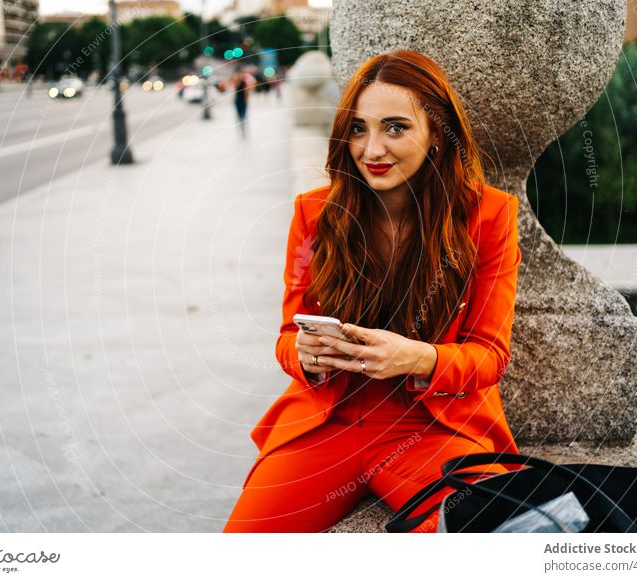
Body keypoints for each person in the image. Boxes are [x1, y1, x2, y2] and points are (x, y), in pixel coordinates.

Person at [223, 50, 522, 533]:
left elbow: (490, 355)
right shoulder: (315, 213)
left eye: (396, 128)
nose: (372, 149)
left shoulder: (488, 216)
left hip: (432, 428)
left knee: (489, 541)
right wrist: (307, 355)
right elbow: (286, 338)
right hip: (331, 422)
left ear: (437, 134)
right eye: (358, 128)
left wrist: (418, 358)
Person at [231, 67, 254, 138]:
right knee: (239, 115)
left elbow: (249, 90)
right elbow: (234, 88)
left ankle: (244, 128)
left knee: (244, 115)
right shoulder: (236, 81)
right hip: (237, 100)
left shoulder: (245, 81)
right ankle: (241, 127)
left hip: (243, 101)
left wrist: (247, 98)